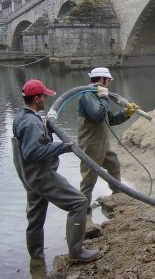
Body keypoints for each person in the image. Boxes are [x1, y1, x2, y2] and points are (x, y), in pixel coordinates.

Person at [12, 79, 100, 262]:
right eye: (44, 96)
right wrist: (64, 146)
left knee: (35, 218)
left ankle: (36, 261)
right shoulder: (31, 123)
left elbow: (29, 145)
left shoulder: (22, 117)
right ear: (36, 99)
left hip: (28, 176)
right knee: (79, 202)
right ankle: (76, 252)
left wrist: (47, 126)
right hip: (40, 175)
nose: (46, 99)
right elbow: (32, 152)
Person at [77, 67, 139, 212]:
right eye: (108, 80)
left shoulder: (98, 95)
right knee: (89, 179)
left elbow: (109, 119)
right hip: (90, 145)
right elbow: (97, 115)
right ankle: (82, 211)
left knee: (113, 164)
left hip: (102, 143)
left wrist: (126, 113)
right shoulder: (87, 95)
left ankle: (117, 196)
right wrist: (104, 97)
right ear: (103, 79)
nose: (110, 83)